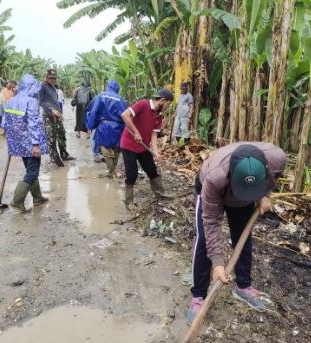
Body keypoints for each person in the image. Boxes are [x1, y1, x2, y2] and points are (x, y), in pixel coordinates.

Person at [186, 142, 287, 323]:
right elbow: (211, 222)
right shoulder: (214, 177)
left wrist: (265, 195)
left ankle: (243, 286)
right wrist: (217, 263)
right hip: (215, 191)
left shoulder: (276, 158)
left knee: (243, 237)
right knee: (203, 240)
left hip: (246, 190)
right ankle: (198, 296)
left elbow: (274, 177)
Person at [2, 74, 49, 213]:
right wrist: (35, 144)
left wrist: (12, 140)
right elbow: (33, 124)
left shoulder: (11, 100)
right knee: (33, 171)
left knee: (30, 170)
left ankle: (38, 198)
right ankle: (17, 201)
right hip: (30, 143)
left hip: (18, 143)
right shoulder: (31, 101)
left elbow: (5, 124)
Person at [120, 89, 174, 208]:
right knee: (132, 173)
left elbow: (153, 136)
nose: (167, 107)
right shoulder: (143, 104)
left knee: (152, 170)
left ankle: (159, 193)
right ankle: (129, 201)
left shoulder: (159, 116)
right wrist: (136, 132)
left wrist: (156, 153)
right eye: (168, 104)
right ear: (162, 100)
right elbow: (124, 115)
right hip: (128, 145)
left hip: (143, 147)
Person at [86, 80, 127, 178]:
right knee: (116, 150)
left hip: (104, 126)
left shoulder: (101, 96)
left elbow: (95, 111)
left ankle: (111, 171)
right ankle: (114, 170)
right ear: (117, 88)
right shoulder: (121, 99)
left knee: (106, 149)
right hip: (118, 127)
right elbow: (125, 115)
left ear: (108, 87)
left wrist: (90, 125)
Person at [39, 69, 74, 167]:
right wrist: (51, 111)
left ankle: (64, 154)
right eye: (50, 78)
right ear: (46, 77)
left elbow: (54, 101)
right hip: (49, 116)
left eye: (54, 78)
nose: (53, 79)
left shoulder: (53, 87)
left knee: (61, 134)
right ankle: (53, 156)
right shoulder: (43, 87)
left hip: (57, 115)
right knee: (51, 137)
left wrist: (60, 112)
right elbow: (41, 101)